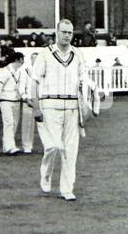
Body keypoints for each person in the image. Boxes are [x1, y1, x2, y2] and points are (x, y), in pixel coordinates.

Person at [29, 19, 87, 201]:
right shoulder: (45, 54)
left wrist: (85, 104)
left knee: (70, 150)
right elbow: (34, 81)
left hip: (71, 106)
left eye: (70, 33)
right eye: (63, 32)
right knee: (53, 147)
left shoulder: (77, 54)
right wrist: (36, 107)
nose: (67, 36)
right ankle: (45, 174)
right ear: (57, 32)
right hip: (49, 106)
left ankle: (67, 188)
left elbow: (83, 81)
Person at [0, 52, 25, 155]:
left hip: (16, 100)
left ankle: (9, 146)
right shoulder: (5, 71)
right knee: (9, 123)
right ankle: (9, 147)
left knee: (14, 123)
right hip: (5, 100)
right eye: (22, 59)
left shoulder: (19, 72)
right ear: (18, 59)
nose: (23, 61)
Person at [19, 52, 39, 154]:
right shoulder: (25, 71)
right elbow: (22, 86)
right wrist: (26, 98)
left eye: (37, 58)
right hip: (29, 100)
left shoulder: (42, 71)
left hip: (39, 101)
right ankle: (27, 146)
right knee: (28, 124)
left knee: (42, 125)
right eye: (33, 58)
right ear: (31, 60)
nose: (35, 61)